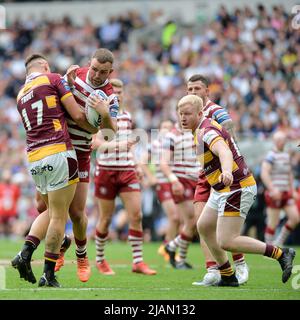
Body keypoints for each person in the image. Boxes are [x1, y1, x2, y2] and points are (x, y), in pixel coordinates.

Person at [12, 49, 118, 285]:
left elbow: (111, 136)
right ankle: (59, 245)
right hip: (59, 148)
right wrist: (68, 86)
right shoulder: (70, 75)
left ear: (111, 72)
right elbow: (72, 111)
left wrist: (104, 117)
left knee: (76, 213)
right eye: (94, 69)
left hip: (78, 153)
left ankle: (81, 256)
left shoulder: (110, 95)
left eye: (103, 72)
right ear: (88, 64)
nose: (97, 75)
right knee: (45, 208)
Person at [177, 94, 296, 286]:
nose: (183, 118)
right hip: (222, 189)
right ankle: (227, 275)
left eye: (187, 114)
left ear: (199, 113)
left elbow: (223, 151)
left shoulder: (206, 131)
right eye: (180, 114)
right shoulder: (199, 128)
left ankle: (281, 253)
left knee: (226, 240)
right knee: (204, 226)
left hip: (236, 187)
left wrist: (226, 170)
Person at [186, 74, 249, 286]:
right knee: (201, 222)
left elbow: (230, 139)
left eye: (197, 89)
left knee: (224, 223)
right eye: (190, 89)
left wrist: (228, 165)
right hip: (205, 172)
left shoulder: (216, 111)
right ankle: (212, 269)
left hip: (223, 171)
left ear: (207, 91)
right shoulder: (189, 111)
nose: (193, 93)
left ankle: (239, 264)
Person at [93, 78, 156, 275]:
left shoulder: (127, 116)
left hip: (127, 170)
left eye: (120, 93)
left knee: (136, 215)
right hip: (105, 171)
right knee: (106, 218)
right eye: (114, 92)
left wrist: (137, 164)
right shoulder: (98, 115)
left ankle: (138, 262)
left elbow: (129, 146)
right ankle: (100, 260)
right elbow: (94, 144)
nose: (117, 96)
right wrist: (117, 145)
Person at [160, 122, 200, 269]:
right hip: (182, 180)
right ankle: (178, 255)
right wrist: (173, 180)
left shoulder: (197, 131)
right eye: (182, 112)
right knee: (192, 221)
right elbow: (163, 162)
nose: (185, 116)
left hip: (198, 179)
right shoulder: (171, 135)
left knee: (193, 222)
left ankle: (174, 249)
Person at [139, 120, 181, 262]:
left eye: (169, 127)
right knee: (174, 217)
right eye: (164, 127)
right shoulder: (155, 144)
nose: (167, 130)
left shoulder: (175, 143)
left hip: (175, 183)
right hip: (162, 183)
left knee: (178, 219)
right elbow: (142, 161)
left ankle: (168, 247)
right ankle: (167, 247)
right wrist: (151, 177)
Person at [261, 131, 300, 246]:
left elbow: (289, 174)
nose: (284, 142)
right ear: (277, 141)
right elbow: (264, 173)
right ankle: (268, 248)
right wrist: (272, 189)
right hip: (275, 193)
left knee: (295, 218)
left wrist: (292, 190)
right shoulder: (271, 156)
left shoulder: (286, 155)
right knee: (273, 222)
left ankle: (279, 242)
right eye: (283, 140)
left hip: (286, 192)